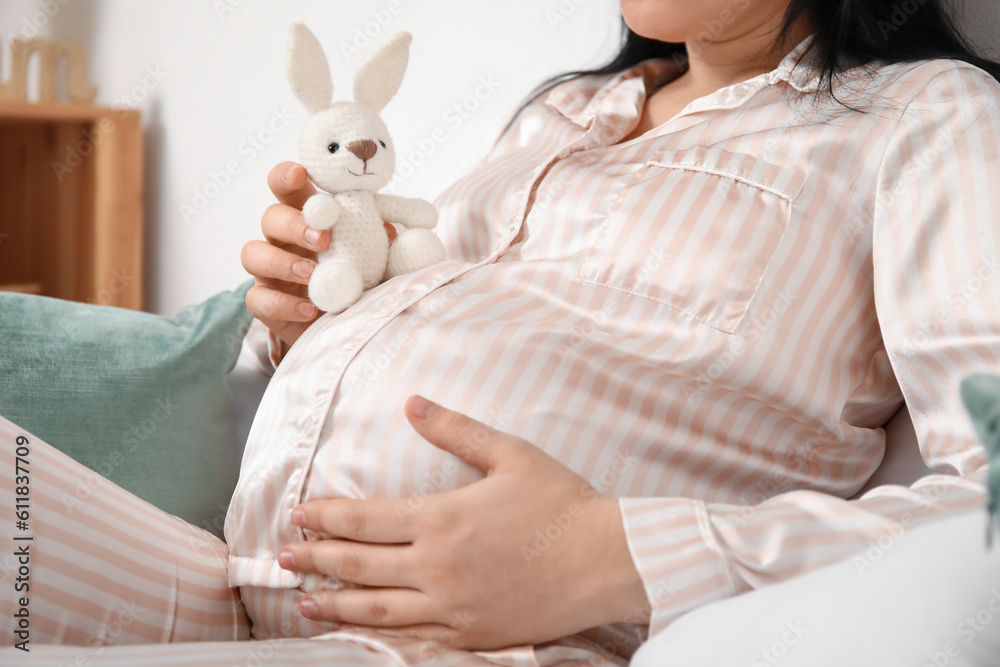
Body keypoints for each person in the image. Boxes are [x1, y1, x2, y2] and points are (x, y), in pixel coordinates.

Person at [3, 0, 1000, 664]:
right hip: (253, 590)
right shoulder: (565, 112)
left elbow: (986, 499)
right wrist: (305, 326)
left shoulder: (921, 117)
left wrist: (610, 555)